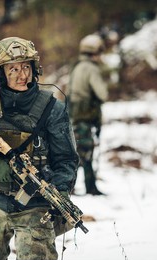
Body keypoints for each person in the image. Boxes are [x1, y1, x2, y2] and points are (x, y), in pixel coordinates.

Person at [0, 37, 79, 260]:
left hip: (36, 207)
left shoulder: (53, 110)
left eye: (26, 67)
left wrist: (60, 190)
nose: (22, 75)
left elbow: (66, 160)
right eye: (13, 69)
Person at [68, 34, 109, 196]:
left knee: (77, 152)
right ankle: (90, 188)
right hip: (85, 118)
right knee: (86, 154)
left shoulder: (76, 67)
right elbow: (103, 94)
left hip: (74, 117)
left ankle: (72, 186)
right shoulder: (91, 69)